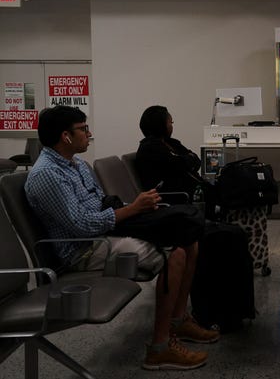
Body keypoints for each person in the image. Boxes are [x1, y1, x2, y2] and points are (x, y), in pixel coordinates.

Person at [24, 105, 219, 371]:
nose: (89, 134)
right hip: (83, 250)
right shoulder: (47, 175)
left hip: (103, 233)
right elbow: (81, 226)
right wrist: (131, 211)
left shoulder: (76, 164)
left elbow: (99, 203)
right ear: (65, 136)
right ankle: (160, 348)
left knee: (188, 239)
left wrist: (134, 211)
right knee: (174, 253)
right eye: (82, 129)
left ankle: (178, 319)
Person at [136, 105, 216, 219]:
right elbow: (179, 165)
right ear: (160, 125)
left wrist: (187, 160)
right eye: (170, 122)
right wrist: (187, 160)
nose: (172, 126)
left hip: (193, 190)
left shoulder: (170, 142)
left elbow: (196, 160)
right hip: (176, 196)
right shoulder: (149, 148)